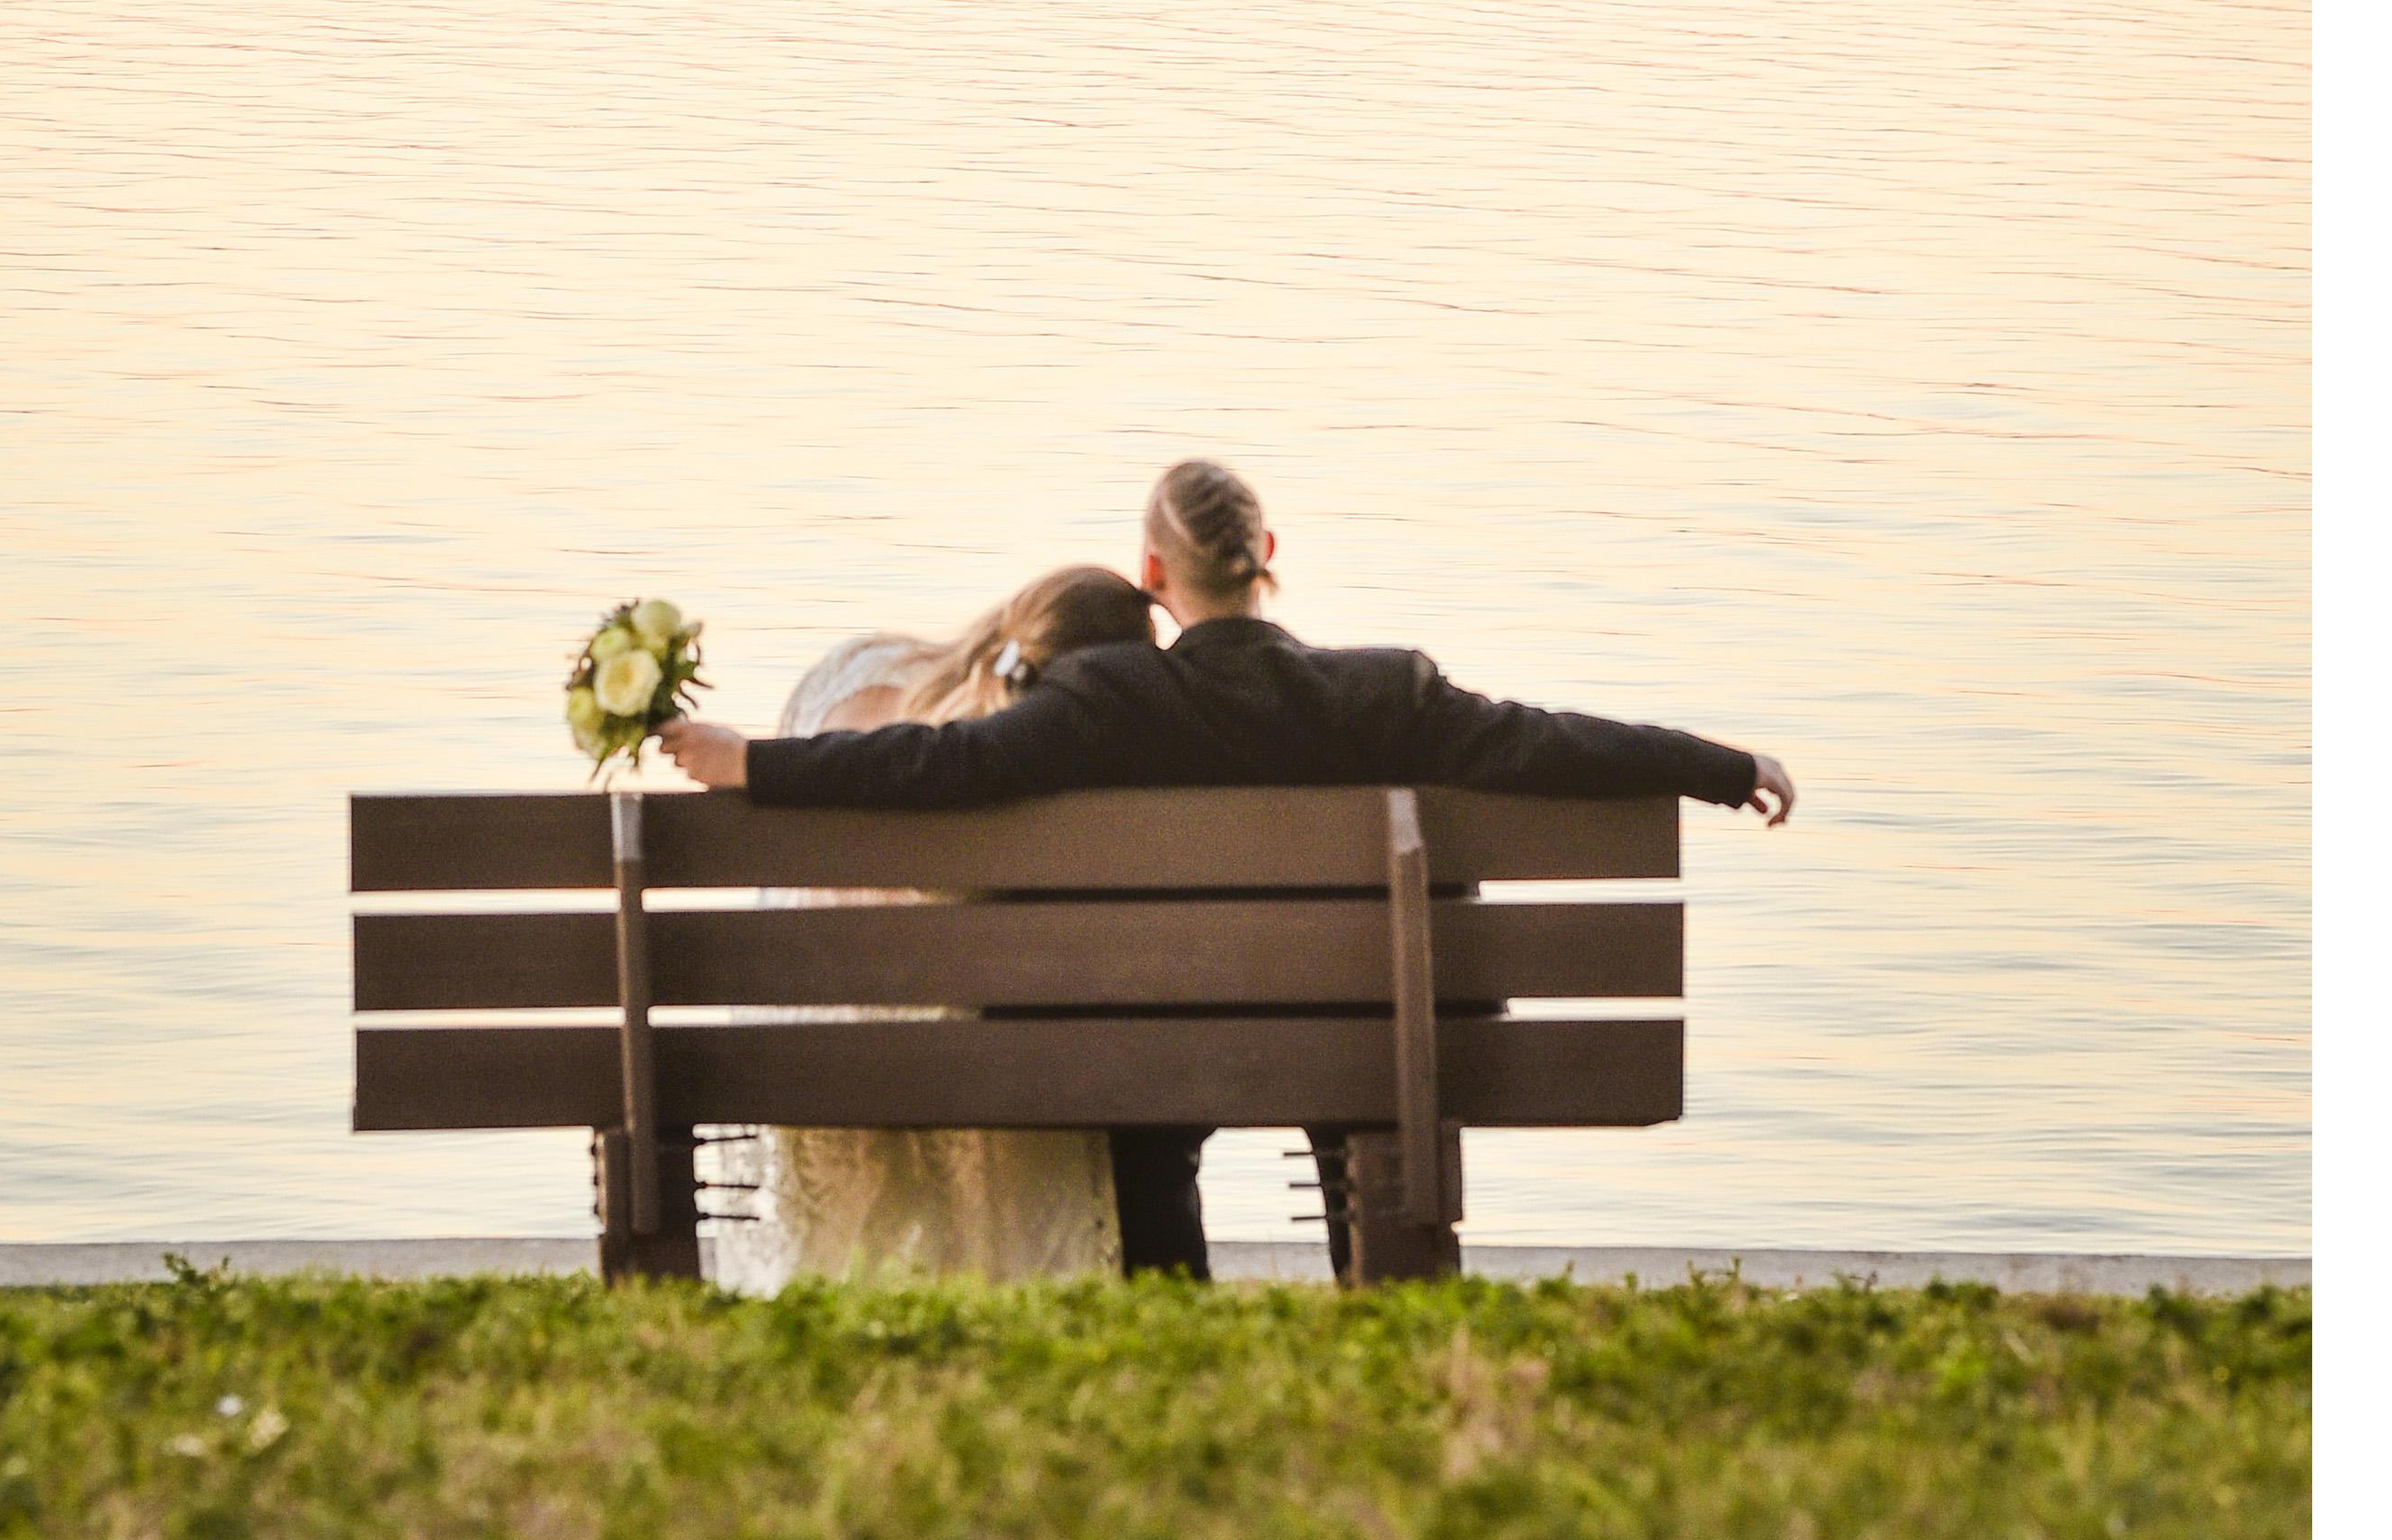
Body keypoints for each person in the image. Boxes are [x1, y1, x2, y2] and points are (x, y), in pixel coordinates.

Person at [660, 460, 1795, 1281]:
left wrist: (749, 760)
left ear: (1156, 573)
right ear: (1267, 558)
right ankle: (1384, 1290)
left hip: (1150, 1046)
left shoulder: (1106, 696)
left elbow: (941, 764)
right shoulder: (1382, 691)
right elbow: (1542, 743)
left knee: (1149, 1104)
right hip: (1364, 1035)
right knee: (1356, 1052)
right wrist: (1717, 765)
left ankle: (1171, 1311)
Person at [704, 562, 1159, 1289]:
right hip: (984, 1077)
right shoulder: (1036, 758)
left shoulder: (855, 670)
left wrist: (744, 762)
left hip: (800, 1054)